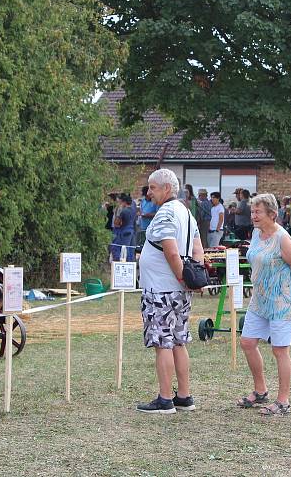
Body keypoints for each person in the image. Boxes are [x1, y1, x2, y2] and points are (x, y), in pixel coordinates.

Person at [136, 169, 204, 414]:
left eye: (152, 187)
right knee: (178, 341)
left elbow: (171, 251)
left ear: (166, 189)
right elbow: (198, 248)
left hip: (161, 290)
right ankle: (184, 396)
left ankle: (165, 399)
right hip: (178, 292)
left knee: (162, 343)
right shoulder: (186, 213)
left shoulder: (165, 213)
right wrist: (191, 277)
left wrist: (180, 276)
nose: (149, 192)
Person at [237, 194, 291, 416]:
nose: (253, 216)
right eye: (252, 212)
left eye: (258, 212)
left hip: (282, 302)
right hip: (260, 300)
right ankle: (260, 391)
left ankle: (283, 401)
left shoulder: (283, 239)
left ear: (272, 214)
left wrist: (290, 289)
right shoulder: (256, 234)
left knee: (279, 350)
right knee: (247, 342)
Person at [111, 193, 136, 262]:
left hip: (124, 230)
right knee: (130, 248)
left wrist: (118, 213)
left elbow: (116, 223)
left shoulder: (124, 211)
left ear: (124, 202)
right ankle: (131, 262)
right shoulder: (133, 210)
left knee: (123, 249)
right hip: (131, 230)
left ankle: (124, 263)